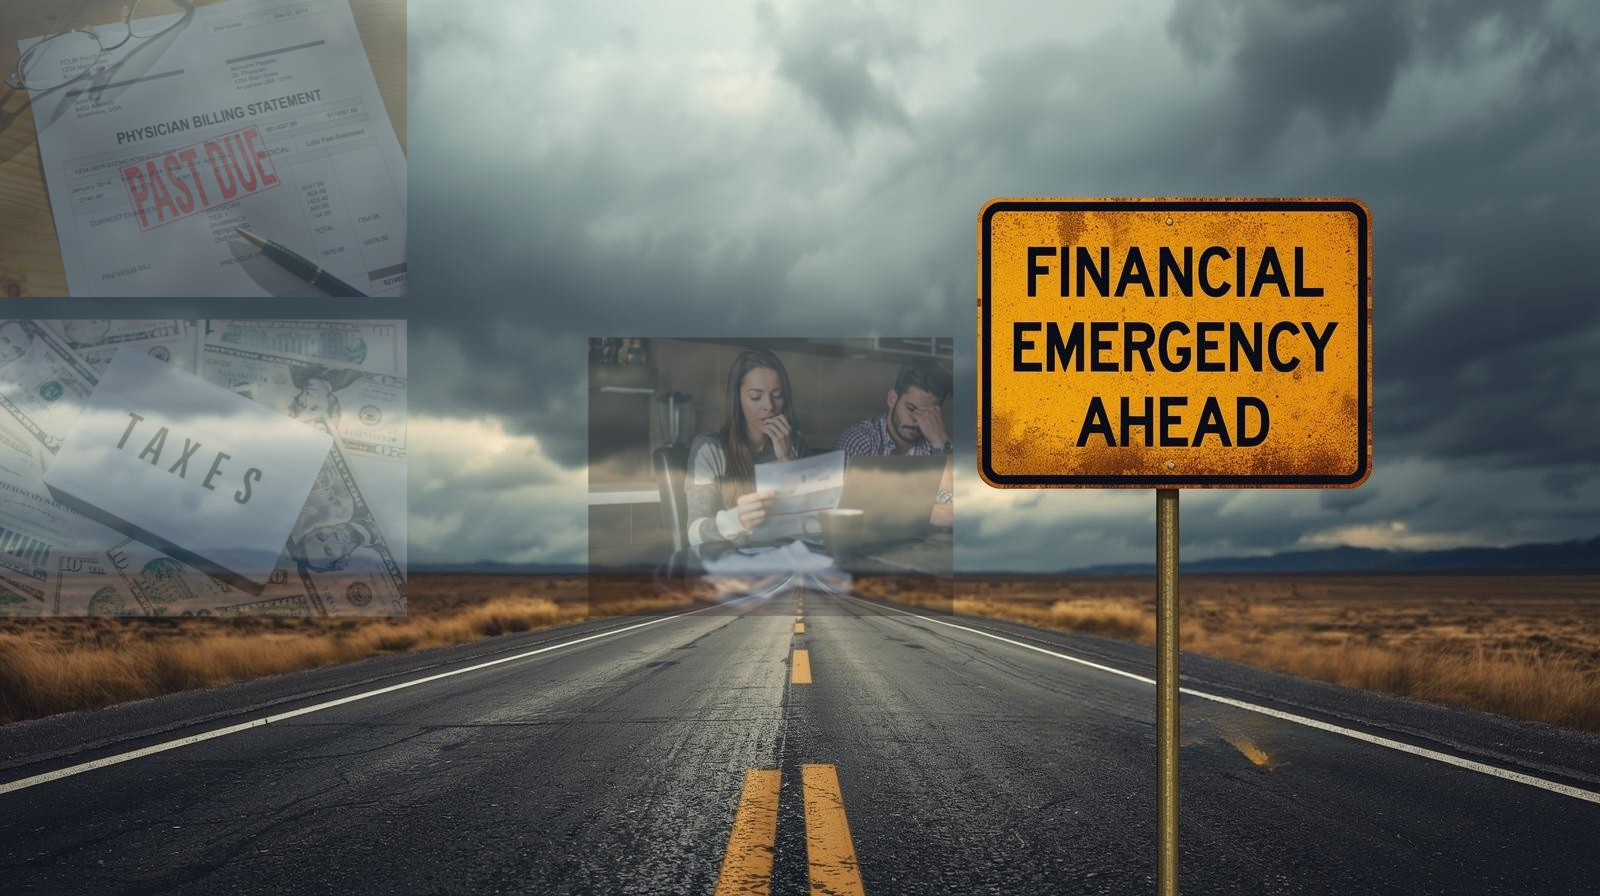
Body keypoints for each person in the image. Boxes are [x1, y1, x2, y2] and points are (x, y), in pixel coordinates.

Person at [685, 348, 811, 549]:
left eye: (777, 395)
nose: (769, 405)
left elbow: (815, 524)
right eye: (755, 397)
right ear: (738, 399)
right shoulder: (711, 448)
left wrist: (788, 459)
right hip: (734, 564)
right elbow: (694, 535)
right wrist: (736, 520)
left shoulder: (794, 445)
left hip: (787, 561)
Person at [834, 357, 955, 527]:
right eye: (911, 408)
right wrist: (925, 512)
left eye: (926, 414)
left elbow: (958, 510)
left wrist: (940, 440)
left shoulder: (936, 446)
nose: (916, 419)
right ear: (892, 399)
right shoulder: (858, 440)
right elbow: (845, 511)